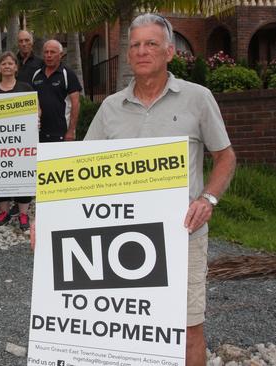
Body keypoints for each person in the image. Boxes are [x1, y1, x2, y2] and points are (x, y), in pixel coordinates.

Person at [83, 14, 237, 366]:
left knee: (187, 330)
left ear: (170, 51)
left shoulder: (198, 98)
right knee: (126, 331)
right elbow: (80, 170)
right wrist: (46, 219)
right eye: (135, 45)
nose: (141, 51)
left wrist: (208, 198)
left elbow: (225, 157)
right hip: (118, 240)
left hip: (182, 237)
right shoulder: (110, 108)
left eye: (151, 44)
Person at [0, 51, 35, 231]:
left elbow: (37, 110)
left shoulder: (25, 88)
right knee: (0, 174)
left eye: (10, 63)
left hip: (21, 141)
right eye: (3, 63)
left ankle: (23, 213)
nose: (7, 66)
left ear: (16, 67)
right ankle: (4, 212)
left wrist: (36, 119)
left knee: (22, 173)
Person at [31, 40, 81, 142]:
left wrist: (71, 131)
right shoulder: (36, 74)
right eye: (46, 52)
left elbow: (75, 104)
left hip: (61, 133)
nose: (49, 55)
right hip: (38, 133)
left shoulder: (68, 74)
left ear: (60, 55)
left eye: (52, 52)